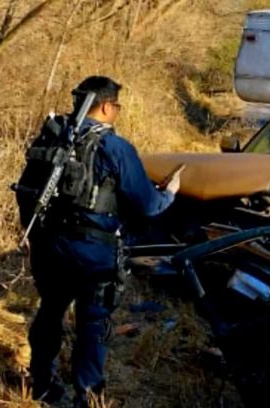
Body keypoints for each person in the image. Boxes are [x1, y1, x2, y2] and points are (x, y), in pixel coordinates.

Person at [22, 76, 180, 407]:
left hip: (49, 245)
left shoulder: (52, 136)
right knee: (93, 324)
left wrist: (33, 237)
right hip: (93, 252)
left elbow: (27, 192)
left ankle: (41, 386)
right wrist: (169, 194)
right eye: (117, 107)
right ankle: (88, 396)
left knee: (50, 312)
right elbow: (148, 206)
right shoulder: (115, 147)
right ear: (107, 106)